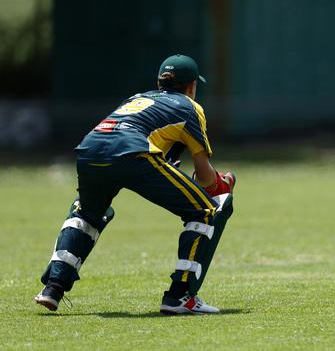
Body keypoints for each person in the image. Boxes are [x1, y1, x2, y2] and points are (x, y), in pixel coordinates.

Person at [35, 54, 236, 315]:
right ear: (192, 86)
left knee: (88, 213)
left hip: (89, 149)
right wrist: (222, 183)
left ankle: (53, 287)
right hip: (132, 153)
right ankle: (180, 297)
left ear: (160, 82)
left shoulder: (138, 98)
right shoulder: (190, 106)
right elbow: (205, 177)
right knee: (206, 211)